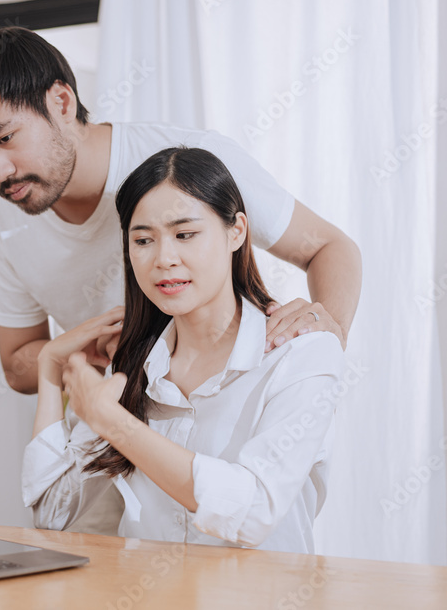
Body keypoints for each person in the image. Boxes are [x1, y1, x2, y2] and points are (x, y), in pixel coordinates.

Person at [0, 25, 360, 533]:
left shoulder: (187, 161)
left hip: (190, 409)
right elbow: (18, 364)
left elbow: (330, 248)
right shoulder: (2, 214)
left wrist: (321, 339)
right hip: (120, 409)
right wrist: (86, 361)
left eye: (5, 138)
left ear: (62, 102)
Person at [22, 147, 344, 554]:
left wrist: (116, 424)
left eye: (185, 235)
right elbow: (52, 513)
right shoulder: (132, 365)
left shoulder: (300, 355)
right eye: (143, 240)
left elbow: (253, 513)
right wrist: (50, 366)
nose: (164, 259)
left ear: (236, 231)